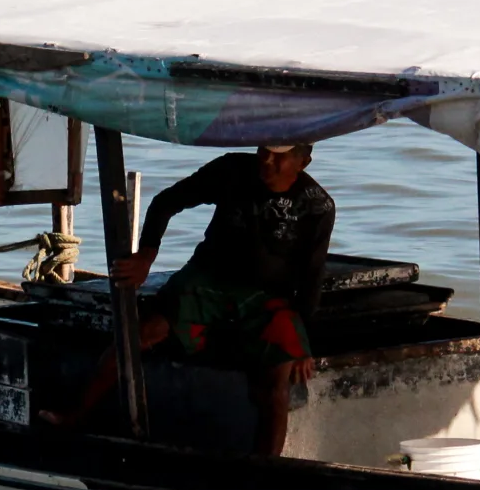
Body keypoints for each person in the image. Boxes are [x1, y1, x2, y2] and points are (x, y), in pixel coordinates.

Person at [58, 142, 336, 455]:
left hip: (268, 298)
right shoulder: (231, 169)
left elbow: (312, 275)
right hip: (208, 278)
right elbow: (166, 202)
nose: (266, 161)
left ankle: (265, 472)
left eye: (279, 156)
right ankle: (74, 417)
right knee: (138, 334)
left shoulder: (318, 206)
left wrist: (304, 343)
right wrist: (147, 256)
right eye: (263, 151)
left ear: (303, 162)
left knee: (276, 384)